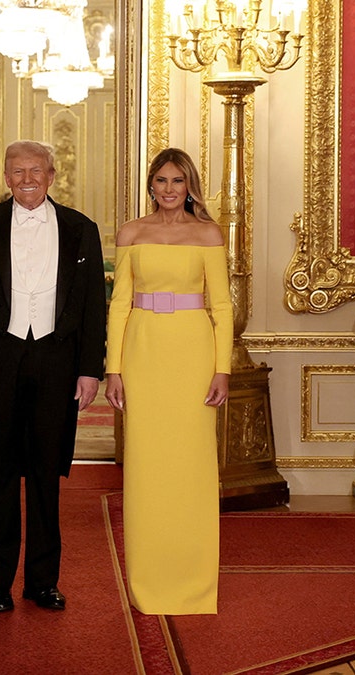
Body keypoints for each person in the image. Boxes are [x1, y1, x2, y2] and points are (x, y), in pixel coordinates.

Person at [0, 140, 106, 613]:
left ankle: (42, 580)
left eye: (35, 170)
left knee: (45, 477)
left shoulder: (82, 228)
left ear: (53, 175)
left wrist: (89, 370)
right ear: (6, 176)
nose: (27, 179)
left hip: (57, 362)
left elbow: (94, 304)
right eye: (17, 171)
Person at [104, 148, 232, 615]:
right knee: (146, 464)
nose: (169, 190)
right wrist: (113, 368)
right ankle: (149, 583)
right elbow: (118, 304)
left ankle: (195, 584)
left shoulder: (209, 234)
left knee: (192, 465)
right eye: (161, 181)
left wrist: (223, 368)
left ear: (189, 185)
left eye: (177, 181)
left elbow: (221, 306)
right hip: (143, 353)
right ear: (151, 186)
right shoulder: (131, 232)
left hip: (193, 355)